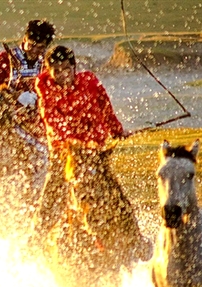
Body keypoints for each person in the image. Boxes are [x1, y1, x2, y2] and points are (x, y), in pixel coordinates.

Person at [31, 44, 133, 251]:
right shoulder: (44, 88)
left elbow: (105, 106)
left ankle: (133, 237)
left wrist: (116, 130)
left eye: (67, 69)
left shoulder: (90, 82)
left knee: (115, 192)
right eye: (56, 71)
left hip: (94, 151)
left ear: (74, 67)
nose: (63, 75)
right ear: (48, 72)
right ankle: (36, 239)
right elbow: (51, 119)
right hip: (65, 154)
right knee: (51, 194)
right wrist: (71, 143)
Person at [0, 20, 56, 184]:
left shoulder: (48, 63)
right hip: (5, 116)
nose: (35, 51)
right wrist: (16, 96)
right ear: (25, 39)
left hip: (34, 120)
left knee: (48, 153)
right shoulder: (6, 58)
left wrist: (40, 97)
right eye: (32, 45)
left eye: (41, 47)